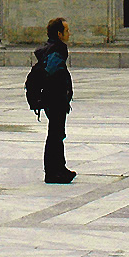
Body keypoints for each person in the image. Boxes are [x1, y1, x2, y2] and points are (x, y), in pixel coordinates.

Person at [36, 17, 74, 183]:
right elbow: (52, 69)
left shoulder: (50, 47)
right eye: (66, 31)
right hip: (55, 97)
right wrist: (61, 87)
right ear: (59, 34)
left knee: (57, 133)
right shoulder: (57, 49)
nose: (69, 33)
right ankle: (52, 172)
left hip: (51, 97)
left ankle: (60, 168)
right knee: (55, 134)